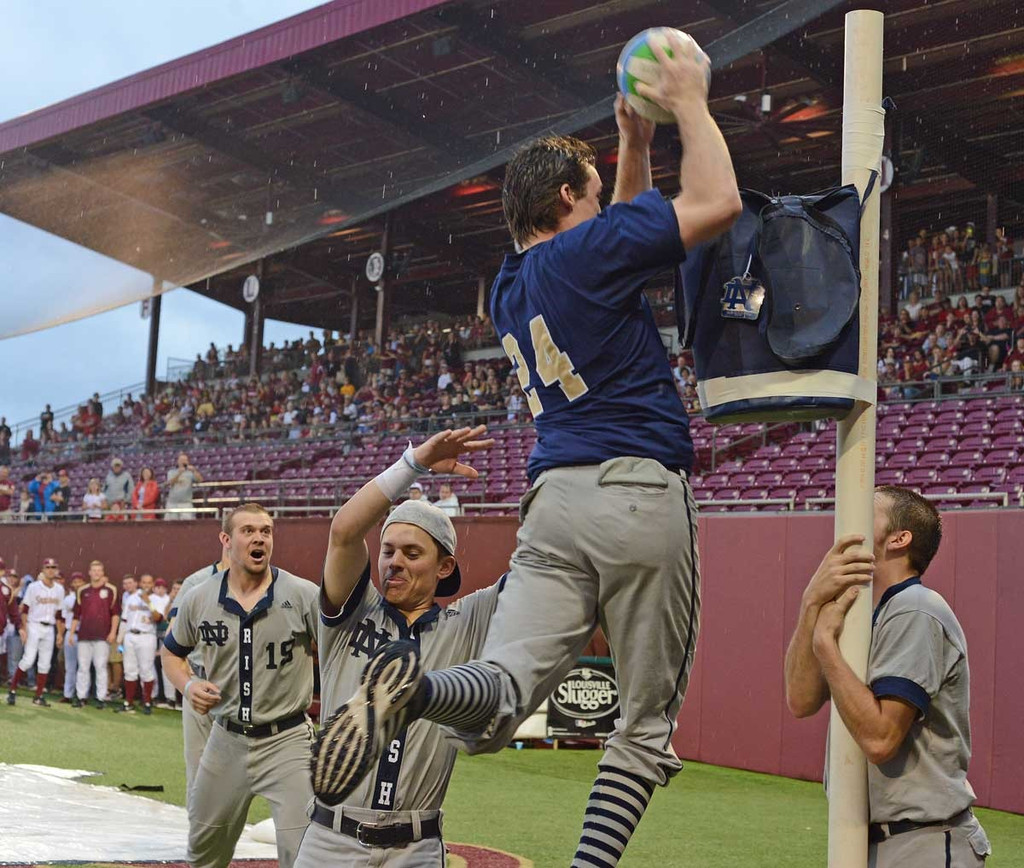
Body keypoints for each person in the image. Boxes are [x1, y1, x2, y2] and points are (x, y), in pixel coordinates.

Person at [320, 34, 737, 868]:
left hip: (555, 500)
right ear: (561, 199)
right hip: (637, 487)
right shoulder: (589, 253)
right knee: (644, 725)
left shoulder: (511, 288)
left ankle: (420, 687)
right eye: (587, 196)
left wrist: (632, 145)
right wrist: (688, 98)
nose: (601, 210)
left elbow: (619, 226)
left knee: (504, 690)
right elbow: (717, 200)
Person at [300, 428, 498, 866]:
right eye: (388, 550)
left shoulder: (466, 620)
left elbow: (539, 572)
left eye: (412, 553)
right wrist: (413, 465)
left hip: (417, 845)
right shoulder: (354, 612)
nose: (394, 562)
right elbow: (344, 533)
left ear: (444, 565)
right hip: (332, 839)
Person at [783, 486, 991, 867]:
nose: (849, 522)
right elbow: (800, 700)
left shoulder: (915, 608)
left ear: (899, 538)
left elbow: (880, 740)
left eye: (867, 514)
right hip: (877, 840)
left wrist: (827, 648)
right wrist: (811, 601)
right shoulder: (869, 614)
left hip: (922, 843)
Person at [160, 504, 319, 868]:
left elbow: (337, 652)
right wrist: (188, 686)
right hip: (226, 738)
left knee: (305, 852)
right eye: (248, 530)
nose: (259, 537)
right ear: (226, 540)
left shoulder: (302, 594)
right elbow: (171, 654)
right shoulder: (199, 596)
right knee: (204, 849)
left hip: (288, 740)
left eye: (266, 530)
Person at [166, 544, 231, 791]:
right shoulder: (198, 582)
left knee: (238, 768)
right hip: (200, 676)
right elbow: (173, 636)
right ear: (226, 539)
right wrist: (187, 682)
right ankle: (199, 827)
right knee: (198, 763)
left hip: (242, 684)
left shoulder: (268, 584)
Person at [7, 558, 65, 706]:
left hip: (49, 628)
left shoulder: (59, 589)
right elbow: (25, 609)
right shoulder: (34, 587)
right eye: (48, 567)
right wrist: (24, 629)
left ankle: (38, 696)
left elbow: (59, 614)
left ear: (56, 570)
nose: (51, 569)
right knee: (28, 660)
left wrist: (59, 633)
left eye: (53, 567)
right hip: (34, 625)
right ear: (43, 570)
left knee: (45, 664)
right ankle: (12, 690)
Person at [70, 560, 120, 708]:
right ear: (90, 573)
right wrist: (72, 633)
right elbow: (76, 615)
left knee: (100, 666)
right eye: (94, 570)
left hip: (102, 636)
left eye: (99, 570)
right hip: (84, 635)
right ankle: (81, 697)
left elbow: (115, 614)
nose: (97, 573)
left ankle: (100, 698)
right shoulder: (82, 590)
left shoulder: (111, 590)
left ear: (103, 573)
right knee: (83, 667)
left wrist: (112, 632)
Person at [116, 573, 168, 715]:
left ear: (152, 585)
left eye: (149, 583)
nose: (146, 585)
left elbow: (158, 618)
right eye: (143, 582)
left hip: (147, 636)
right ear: (139, 583)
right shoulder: (131, 598)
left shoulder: (156, 599)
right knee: (129, 670)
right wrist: (119, 641)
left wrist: (148, 602)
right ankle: (128, 703)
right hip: (130, 635)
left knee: (146, 670)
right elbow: (125, 620)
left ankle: (147, 702)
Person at [61, 572, 85, 702]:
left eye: (79, 581)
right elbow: (63, 618)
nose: (77, 584)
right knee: (70, 666)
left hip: (84, 634)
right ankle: (67, 695)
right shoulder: (68, 599)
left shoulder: (88, 597)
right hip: (70, 632)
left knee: (84, 667)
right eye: (75, 582)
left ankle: (83, 696)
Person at [166, 453, 202, 520]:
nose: (183, 462)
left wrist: (194, 471)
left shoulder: (190, 473)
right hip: (172, 503)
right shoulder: (171, 472)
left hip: (186, 503)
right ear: (178, 461)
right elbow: (170, 483)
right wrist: (179, 473)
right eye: (181, 460)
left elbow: (200, 480)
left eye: (185, 460)